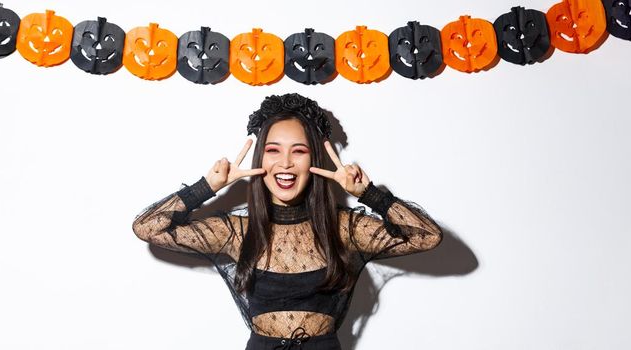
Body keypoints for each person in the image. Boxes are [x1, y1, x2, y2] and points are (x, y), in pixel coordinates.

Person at [132, 93, 443, 350]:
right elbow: (147, 228)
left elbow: (427, 236)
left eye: (299, 151)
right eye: (273, 150)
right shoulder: (238, 232)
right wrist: (207, 186)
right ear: (260, 160)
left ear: (313, 161)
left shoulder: (342, 227)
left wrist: (369, 194)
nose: (284, 163)